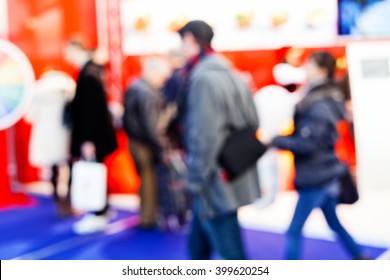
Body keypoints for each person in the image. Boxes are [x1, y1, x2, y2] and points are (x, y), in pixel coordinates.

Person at [265, 51, 368, 260]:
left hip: (316, 176)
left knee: (294, 230)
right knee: (334, 223)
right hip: (325, 171)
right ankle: (359, 256)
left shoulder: (319, 103)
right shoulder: (325, 97)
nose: (304, 68)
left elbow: (308, 144)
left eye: (308, 65)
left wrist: (275, 140)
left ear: (321, 69)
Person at [177, 20, 261, 259]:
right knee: (199, 245)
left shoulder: (203, 78)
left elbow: (204, 136)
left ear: (190, 39)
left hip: (213, 174)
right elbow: (253, 120)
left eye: (182, 42)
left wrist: (194, 177)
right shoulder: (229, 71)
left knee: (230, 251)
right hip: (227, 167)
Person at [65, 39, 118, 234]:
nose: (66, 56)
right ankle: (101, 210)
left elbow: (89, 112)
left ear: (77, 49)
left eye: (68, 51)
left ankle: (97, 213)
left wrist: (87, 140)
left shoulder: (88, 74)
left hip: (93, 137)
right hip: (96, 136)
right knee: (97, 172)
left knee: (93, 174)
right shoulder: (93, 71)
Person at [122, 57, 171, 229]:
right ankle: (148, 218)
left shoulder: (135, 87)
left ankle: (146, 214)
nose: (162, 81)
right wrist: (160, 147)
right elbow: (151, 125)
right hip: (144, 143)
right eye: (161, 76)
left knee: (145, 180)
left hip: (136, 140)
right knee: (149, 180)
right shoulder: (147, 92)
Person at [26, 69, 76, 217]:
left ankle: (57, 198)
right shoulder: (68, 89)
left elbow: (30, 116)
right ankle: (68, 196)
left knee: (54, 168)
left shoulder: (38, 92)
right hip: (65, 133)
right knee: (69, 164)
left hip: (46, 135)